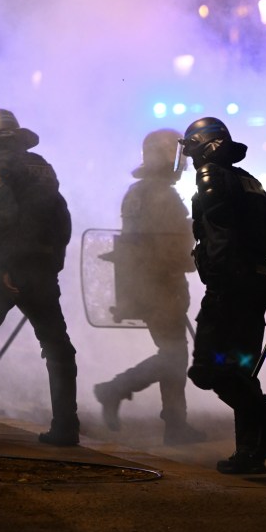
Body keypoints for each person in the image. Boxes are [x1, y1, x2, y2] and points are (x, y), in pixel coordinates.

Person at [179, 116, 266, 474]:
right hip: (255, 285)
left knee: (207, 369)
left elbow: (220, 240)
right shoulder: (251, 183)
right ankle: (250, 453)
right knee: (241, 370)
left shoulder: (211, 177)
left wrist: (220, 286)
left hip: (229, 288)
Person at [0, 109, 79, 446]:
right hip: (41, 265)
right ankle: (67, 426)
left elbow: (1, 215)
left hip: (11, 266)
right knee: (57, 345)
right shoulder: (41, 165)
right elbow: (61, 217)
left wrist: (7, 262)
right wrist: (50, 262)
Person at [93, 129, 205, 445]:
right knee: (173, 355)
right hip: (161, 285)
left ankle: (175, 425)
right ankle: (114, 389)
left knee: (174, 353)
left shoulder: (137, 192)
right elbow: (176, 247)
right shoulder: (162, 196)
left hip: (143, 284)